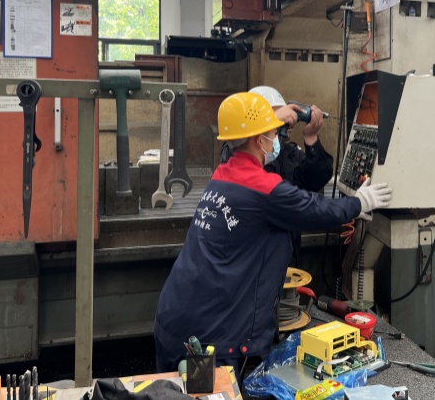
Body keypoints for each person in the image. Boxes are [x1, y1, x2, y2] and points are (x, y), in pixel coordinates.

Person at [154, 92, 392, 376]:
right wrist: (360, 202)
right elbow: (315, 208)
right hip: (211, 339)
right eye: (273, 133)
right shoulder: (264, 189)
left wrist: (270, 122)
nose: (277, 138)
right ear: (259, 140)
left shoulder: (221, 175)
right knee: (214, 393)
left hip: (174, 319)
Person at [221, 86, 333, 192]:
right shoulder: (235, 150)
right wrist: (272, 121)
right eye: (281, 117)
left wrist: (311, 138)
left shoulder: (289, 153)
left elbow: (316, 181)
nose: (287, 122)